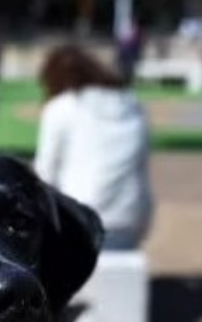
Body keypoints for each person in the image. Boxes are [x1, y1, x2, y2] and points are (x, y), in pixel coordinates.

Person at [34, 44, 152, 250]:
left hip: (82, 218)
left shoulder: (61, 108)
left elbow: (45, 174)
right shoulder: (132, 105)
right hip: (131, 216)